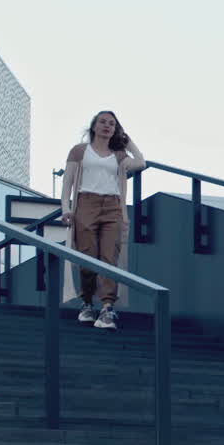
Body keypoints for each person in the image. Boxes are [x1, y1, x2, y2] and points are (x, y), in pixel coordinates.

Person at [60, 110, 145, 329]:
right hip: (85, 203)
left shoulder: (118, 154)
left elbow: (141, 162)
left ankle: (107, 307)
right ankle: (87, 302)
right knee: (88, 256)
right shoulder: (80, 151)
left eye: (112, 124)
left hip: (112, 206)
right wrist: (65, 207)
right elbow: (68, 182)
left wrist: (127, 139)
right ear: (94, 126)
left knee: (110, 257)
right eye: (103, 122)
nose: (107, 126)